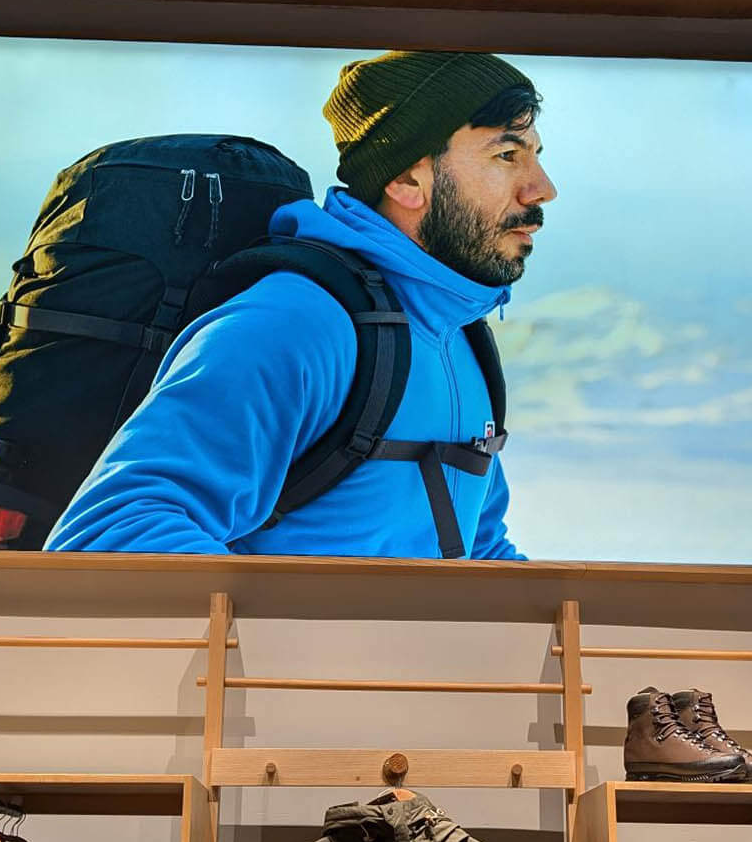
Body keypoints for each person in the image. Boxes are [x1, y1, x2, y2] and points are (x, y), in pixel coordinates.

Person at [43, 50, 555, 557]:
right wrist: (281, 637)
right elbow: (112, 531)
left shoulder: (458, 337)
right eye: (506, 155)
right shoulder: (296, 325)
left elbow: (481, 555)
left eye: (535, 154)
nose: (542, 189)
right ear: (405, 180)